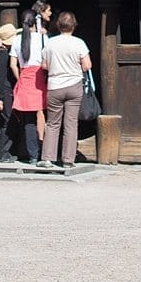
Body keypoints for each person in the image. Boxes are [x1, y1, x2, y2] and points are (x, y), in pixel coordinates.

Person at [38, 10, 91, 172]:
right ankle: (68, 159)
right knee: (71, 123)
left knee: (53, 123)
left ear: (58, 25)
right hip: (74, 84)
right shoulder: (79, 43)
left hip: (55, 85)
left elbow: (44, 66)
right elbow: (87, 65)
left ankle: (47, 158)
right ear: (74, 25)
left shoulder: (50, 43)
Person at [9, 9, 47, 164]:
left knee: (29, 121)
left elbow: (12, 64)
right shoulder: (42, 38)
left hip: (25, 78)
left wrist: (20, 78)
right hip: (40, 79)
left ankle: (33, 155)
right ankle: (48, 152)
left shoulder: (17, 40)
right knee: (49, 117)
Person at [0, 22, 17, 161]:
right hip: (5, 92)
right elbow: (1, 78)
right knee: (8, 121)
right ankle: (2, 153)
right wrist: (0, 98)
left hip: (3, 92)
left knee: (2, 123)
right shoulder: (4, 55)